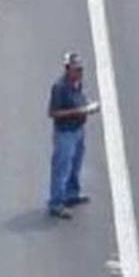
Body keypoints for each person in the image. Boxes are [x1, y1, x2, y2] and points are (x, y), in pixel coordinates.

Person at [47, 52, 100, 219]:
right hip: (65, 133)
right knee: (61, 167)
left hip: (78, 129)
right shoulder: (59, 87)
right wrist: (79, 111)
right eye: (76, 69)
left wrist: (87, 106)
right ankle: (56, 202)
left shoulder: (77, 84)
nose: (80, 72)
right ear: (68, 69)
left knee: (75, 164)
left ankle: (71, 194)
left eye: (81, 69)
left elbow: (80, 99)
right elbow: (53, 113)